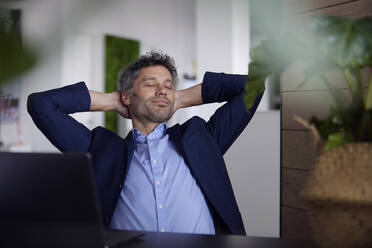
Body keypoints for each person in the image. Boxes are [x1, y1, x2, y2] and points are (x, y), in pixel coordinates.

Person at [27, 51, 263, 235]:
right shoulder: (102, 151)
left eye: (168, 85)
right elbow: (41, 104)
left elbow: (253, 87)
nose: (162, 90)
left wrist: (180, 98)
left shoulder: (201, 139)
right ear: (127, 95)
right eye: (151, 84)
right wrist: (111, 100)